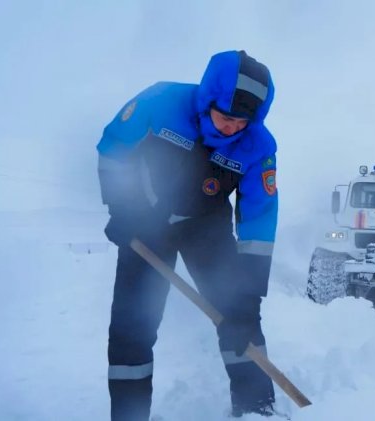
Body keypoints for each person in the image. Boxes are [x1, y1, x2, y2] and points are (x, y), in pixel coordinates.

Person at [96, 50, 279, 420]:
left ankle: (257, 410)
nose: (231, 128)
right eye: (225, 118)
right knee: (133, 327)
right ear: (207, 100)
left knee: (239, 320)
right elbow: (114, 149)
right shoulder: (160, 102)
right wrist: (121, 207)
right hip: (145, 225)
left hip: (206, 228)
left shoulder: (258, 146)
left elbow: (259, 219)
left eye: (241, 123)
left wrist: (249, 295)